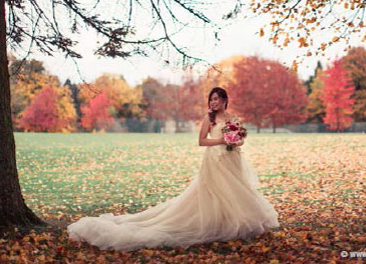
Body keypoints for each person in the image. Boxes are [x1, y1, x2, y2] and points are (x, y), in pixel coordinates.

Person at [67, 87, 279, 251]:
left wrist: (234, 142)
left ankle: (232, 219)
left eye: (217, 98)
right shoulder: (209, 118)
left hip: (232, 159)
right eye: (211, 99)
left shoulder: (233, 119)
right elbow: (202, 141)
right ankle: (214, 222)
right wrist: (221, 141)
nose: (213, 102)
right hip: (214, 160)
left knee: (235, 191)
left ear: (224, 100)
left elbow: (240, 140)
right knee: (214, 193)